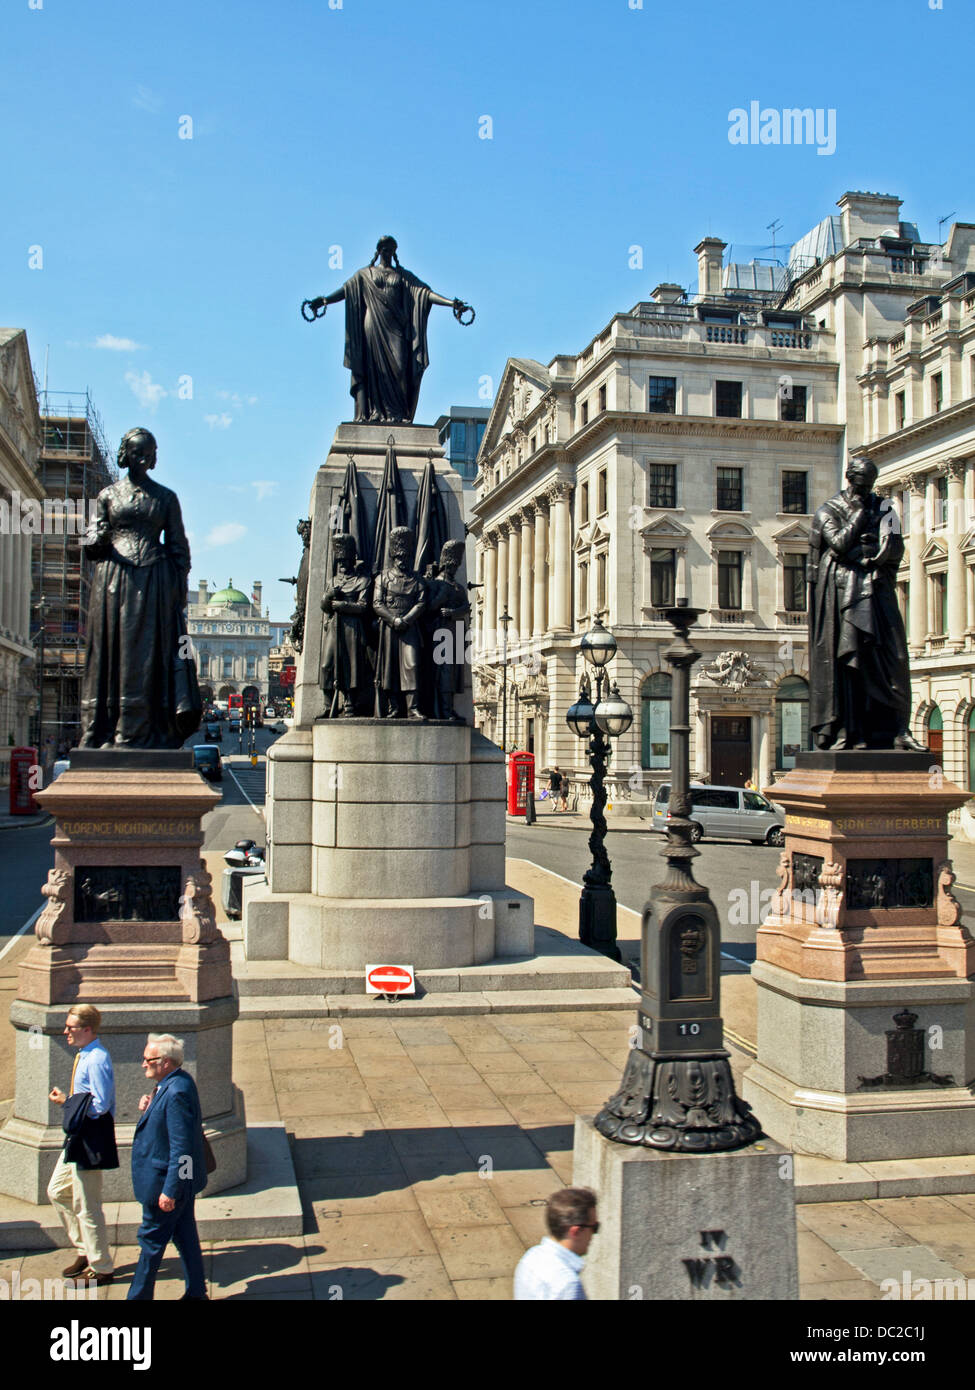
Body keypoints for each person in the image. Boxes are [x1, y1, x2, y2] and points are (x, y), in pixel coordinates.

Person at [79, 427, 201, 749]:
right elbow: (90, 546)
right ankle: (103, 727)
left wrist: (178, 594)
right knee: (112, 652)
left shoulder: (166, 497)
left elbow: (179, 549)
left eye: (150, 452)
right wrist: (100, 537)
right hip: (113, 582)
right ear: (126, 454)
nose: (144, 458)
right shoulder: (107, 496)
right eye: (138, 452)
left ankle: (145, 728)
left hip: (154, 586)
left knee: (147, 656)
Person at [808, 457, 925, 752]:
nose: (867, 491)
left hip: (877, 589)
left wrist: (876, 553)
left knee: (895, 657)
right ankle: (851, 731)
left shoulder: (885, 507)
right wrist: (859, 517)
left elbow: (896, 546)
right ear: (850, 479)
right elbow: (838, 544)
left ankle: (898, 730)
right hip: (844, 595)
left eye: (871, 485)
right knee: (851, 663)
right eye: (862, 485)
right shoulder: (828, 510)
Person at [303, 236, 472, 424]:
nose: (387, 252)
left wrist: (451, 304)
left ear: (394, 252)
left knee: (400, 368)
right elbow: (346, 291)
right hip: (372, 326)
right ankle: (375, 412)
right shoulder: (364, 274)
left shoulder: (403, 276)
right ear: (378, 251)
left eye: (391, 249)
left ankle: (397, 414)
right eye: (384, 249)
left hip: (396, 328)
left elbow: (424, 293)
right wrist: (325, 300)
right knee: (374, 369)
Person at [128, 1033, 208, 1301]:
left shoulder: (175, 1092)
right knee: (185, 1236)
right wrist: (150, 1108)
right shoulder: (174, 1083)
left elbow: (181, 1148)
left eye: (148, 1060)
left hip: (165, 1184)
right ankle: (196, 1292)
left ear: (165, 1062)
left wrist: (171, 1191)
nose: (143, 1064)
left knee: (150, 1243)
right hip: (177, 1183)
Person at [47, 1004, 118, 1286]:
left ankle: (101, 1267)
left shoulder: (97, 1058)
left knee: (88, 1205)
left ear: (88, 1029)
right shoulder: (85, 1054)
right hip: (77, 1137)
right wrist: (70, 1101)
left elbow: (100, 1104)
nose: (66, 1031)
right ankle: (85, 1250)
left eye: (71, 1027)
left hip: (90, 1138)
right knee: (57, 1191)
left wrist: (67, 1103)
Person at [373, 526, 427, 719]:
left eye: (405, 557)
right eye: (399, 557)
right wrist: (394, 619)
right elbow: (377, 604)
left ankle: (413, 708)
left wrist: (406, 619)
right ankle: (394, 707)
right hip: (389, 627)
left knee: (411, 665)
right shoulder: (383, 578)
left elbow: (421, 603)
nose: (402, 561)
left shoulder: (417, 580)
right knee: (390, 668)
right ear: (393, 557)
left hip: (410, 627)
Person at [321, 534, 373, 716]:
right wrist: (329, 596)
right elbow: (324, 606)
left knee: (351, 666)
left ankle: (350, 702)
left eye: (345, 560)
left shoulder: (362, 581)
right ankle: (329, 705)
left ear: (352, 560)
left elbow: (364, 606)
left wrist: (344, 605)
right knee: (327, 665)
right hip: (334, 628)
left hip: (353, 628)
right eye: (340, 561)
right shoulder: (332, 581)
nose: (342, 564)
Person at [514, 1187, 598, 1300]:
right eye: (594, 1227)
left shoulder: (530, 1257)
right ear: (576, 1231)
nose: (593, 1235)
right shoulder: (569, 1284)